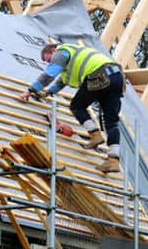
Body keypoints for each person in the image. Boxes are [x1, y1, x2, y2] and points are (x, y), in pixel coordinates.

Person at [18, 41, 124, 173]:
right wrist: (48, 92)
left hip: (99, 75)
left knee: (76, 106)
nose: (50, 62)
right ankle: (113, 161)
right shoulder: (74, 57)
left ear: (53, 50)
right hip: (117, 76)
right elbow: (61, 81)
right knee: (112, 123)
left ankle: (95, 135)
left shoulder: (61, 51)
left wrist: (31, 90)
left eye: (49, 59)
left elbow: (49, 74)